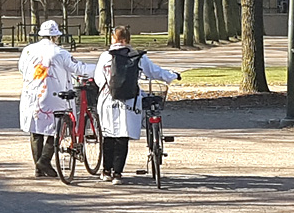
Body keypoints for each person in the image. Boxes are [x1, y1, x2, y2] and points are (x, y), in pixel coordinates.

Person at [92, 26, 181, 184]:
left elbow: (99, 79)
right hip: (130, 100)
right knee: (123, 135)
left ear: (115, 39)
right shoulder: (138, 56)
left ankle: (106, 171)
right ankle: (117, 173)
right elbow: (154, 72)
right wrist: (172, 75)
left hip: (108, 99)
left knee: (108, 135)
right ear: (127, 40)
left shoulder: (105, 56)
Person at [18, 20, 98, 177]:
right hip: (52, 95)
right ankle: (44, 161)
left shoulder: (27, 51)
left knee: (36, 130)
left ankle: (38, 166)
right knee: (56, 129)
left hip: (31, 94)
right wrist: (98, 68)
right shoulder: (60, 53)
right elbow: (79, 69)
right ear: (55, 37)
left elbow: (21, 68)